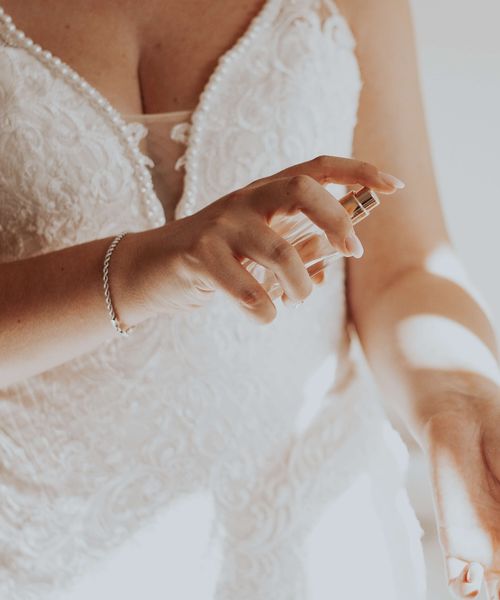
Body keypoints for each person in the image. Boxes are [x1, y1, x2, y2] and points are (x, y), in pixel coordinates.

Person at [0, 0, 498, 598]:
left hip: (311, 545)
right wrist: (139, 271)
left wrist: (460, 399)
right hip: (39, 553)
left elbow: (404, 269)